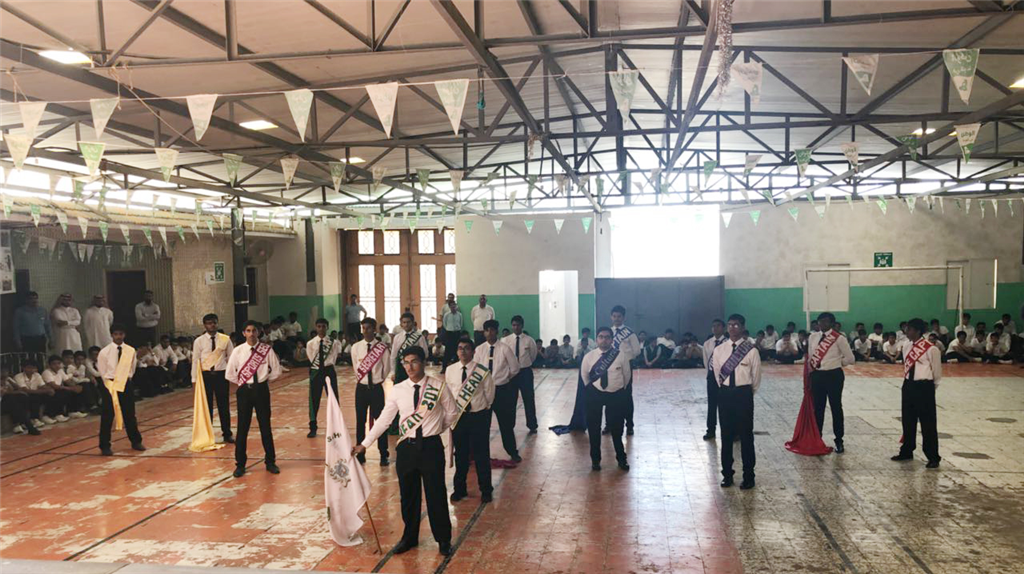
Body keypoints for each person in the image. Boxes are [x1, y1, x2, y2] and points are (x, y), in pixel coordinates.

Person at [352, 346, 457, 557]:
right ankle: (409, 538)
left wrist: (436, 428)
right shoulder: (398, 389)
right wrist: (365, 443)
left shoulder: (438, 386)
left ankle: (443, 539)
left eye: (414, 361)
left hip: (431, 447)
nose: (410, 367)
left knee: (436, 494)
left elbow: (452, 413)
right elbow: (384, 419)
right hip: (406, 449)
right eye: (406, 362)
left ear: (423, 362)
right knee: (408, 496)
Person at [226, 321, 282, 477]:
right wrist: (243, 383)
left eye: (254, 331)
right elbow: (229, 374)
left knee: (265, 426)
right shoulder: (238, 351)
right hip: (244, 391)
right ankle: (240, 464)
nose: (251, 334)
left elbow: (276, 370)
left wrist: (263, 381)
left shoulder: (266, 350)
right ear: (244, 333)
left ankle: (270, 462)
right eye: (248, 331)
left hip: (262, 390)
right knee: (242, 428)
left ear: (259, 332)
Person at [712, 314, 761, 489]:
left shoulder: (751, 351)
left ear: (743, 327)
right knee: (726, 435)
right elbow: (717, 374)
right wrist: (727, 389)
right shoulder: (719, 350)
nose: (732, 328)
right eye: (730, 325)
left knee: (746, 435)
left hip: (743, 394)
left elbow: (756, 377)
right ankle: (727, 474)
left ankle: (749, 475)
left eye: (736, 325)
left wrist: (746, 392)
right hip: (725, 394)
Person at [447, 337, 495, 503]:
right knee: (461, 455)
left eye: (467, 348)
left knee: (481, 454)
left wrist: (482, 409)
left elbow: (489, 394)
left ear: (473, 352)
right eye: (460, 348)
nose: (463, 351)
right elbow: (449, 393)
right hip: (459, 417)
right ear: (457, 351)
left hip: (478, 416)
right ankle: (459, 489)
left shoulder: (482, 371)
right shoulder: (450, 370)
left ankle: (486, 490)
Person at [892, 318, 942, 468]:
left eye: (909, 329)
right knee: (908, 419)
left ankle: (933, 456)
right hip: (908, 385)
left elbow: (937, 373)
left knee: (928, 422)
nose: (906, 332)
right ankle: (907, 450)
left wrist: (930, 388)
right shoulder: (906, 346)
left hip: (924, 386)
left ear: (918, 331)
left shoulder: (931, 349)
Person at [580, 326, 631, 471]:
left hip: (615, 394)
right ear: (596, 339)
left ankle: (621, 459)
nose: (604, 340)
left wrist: (619, 389)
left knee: (617, 428)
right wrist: (591, 389)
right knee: (594, 428)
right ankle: (595, 460)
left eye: (607, 337)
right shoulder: (589, 357)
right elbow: (584, 376)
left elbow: (626, 376)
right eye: (601, 337)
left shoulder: (620, 356)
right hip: (595, 394)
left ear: (612, 340)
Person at [807, 312, 855, 453]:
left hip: (834, 375)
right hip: (817, 375)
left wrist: (837, 363)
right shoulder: (813, 337)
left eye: (826, 321)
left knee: (836, 407)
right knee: (818, 408)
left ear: (832, 323)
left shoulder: (839, 338)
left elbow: (851, 358)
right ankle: (817, 439)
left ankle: (839, 440)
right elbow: (810, 357)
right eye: (820, 321)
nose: (823, 324)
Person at [474, 319, 521, 462]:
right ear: (484, 332)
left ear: (497, 331)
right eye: (487, 330)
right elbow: (475, 369)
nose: (490, 333)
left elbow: (515, 368)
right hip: (484, 391)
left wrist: (504, 378)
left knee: (505, 423)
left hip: (501, 390)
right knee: (483, 425)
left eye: (492, 330)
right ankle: (481, 454)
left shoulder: (505, 348)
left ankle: (512, 452)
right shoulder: (479, 349)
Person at [97, 324, 146, 455]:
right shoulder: (104, 352)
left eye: (121, 334)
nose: (119, 336)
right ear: (112, 335)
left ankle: (136, 441)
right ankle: (104, 445)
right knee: (107, 415)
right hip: (110, 384)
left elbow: (132, 369)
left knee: (129, 414)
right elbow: (102, 371)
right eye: (116, 334)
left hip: (125, 383)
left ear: (124, 335)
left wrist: (125, 379)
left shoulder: (130, 350)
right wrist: (110, 384)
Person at [351, 317, 391, 465]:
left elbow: (386, 368)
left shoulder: (382, 348)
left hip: (376, 389)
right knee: (360, 421)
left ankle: (383, 453)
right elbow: (356, 367)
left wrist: (377, 380)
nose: (365, 331)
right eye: (363, 328)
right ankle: (360, 453)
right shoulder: (356, 347)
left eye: (368, 328)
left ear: (374, 329)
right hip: (361, 389)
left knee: (381, 422)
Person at [192, 314, 235, 444]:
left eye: (214, 322)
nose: (212, 325)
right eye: (209, 323)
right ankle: (207, 435)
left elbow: (232, 357)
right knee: (207, 407)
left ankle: (227, 433)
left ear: (217, 323)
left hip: (221, 375)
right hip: (205, 376)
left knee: (224, 406)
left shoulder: (225, 339)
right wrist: (194, 379)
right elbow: (195, 361)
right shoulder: (199, 341)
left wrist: (231, 375)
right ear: (204, 325)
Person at [503, 316, 539, 434]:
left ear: (522, 326)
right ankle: (510, 424)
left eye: (518, 325)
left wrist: (524, 364)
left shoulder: (529, 340)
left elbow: (533, 355)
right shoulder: (505, 340)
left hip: (525, 372)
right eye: (514, 325)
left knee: (528, 399)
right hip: (511, 373)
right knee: (510, 400)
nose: (516, 327)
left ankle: (532, 424)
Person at [306, 318, 342, 438]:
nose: (321, 328)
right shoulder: (310, 343)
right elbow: (311, 358)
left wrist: (327, 365)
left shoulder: (334, 342)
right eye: (319, 326)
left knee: (333, 398)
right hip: (316, 371)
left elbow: (334, 356)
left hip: (329, 370)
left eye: (324, 326)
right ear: (316, 327)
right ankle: (313, 427)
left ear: (327, 327)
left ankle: (336, 427)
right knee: (313, 399)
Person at [608, 305, 641, 436]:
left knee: (626, 396)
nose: (616, 319)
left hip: (625, 367)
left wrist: (624, 359)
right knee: (609, 395)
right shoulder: (608, 332)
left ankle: (629, 425)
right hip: (609, 367)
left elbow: (637, 350)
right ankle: (609, 424)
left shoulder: (629, 333)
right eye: (614, 316)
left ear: (624, 318)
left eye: (619, 316)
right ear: (611, 317)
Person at [12, 360, 63, 429]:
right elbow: (25, 390)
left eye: (34, 368)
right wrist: (43, 391)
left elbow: (43, 386)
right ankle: (33, 419)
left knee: (52, 394)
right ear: (23, 368)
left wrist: (49, 389)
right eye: (29, 368)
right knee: (34, 397)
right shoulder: (18, 376)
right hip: (24, 396)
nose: (32, 370)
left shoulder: (37, 375)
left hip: (35, 393)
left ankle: (47, 415)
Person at [701, 319, 727, 441]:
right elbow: (706, 361)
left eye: (718, 326)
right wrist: (711, 373)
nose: (715, 328)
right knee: (712, 405)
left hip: (725, 378)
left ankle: (728, 431)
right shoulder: (707, 343)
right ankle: (710, 430)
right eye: (713, 326)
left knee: (726, 406)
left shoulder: (728, 343)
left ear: (723, 328)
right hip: (711, 377)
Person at [0, 365, 41, 435]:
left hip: (7, 403)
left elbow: (18, 388)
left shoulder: (7, 380)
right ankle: (28, 425)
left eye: (6, 372)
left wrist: (9, 380)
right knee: (12, 399)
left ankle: (21, 423)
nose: (5, 373)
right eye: (2, 372)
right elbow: (4, 393)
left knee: (22, 397)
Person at [41, 355, 85, 419]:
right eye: (54, 364)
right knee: (64, 392)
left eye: (58, 363)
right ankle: (57, 414)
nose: (57, 365)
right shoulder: (46, 372)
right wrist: (70, 388)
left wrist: (75, 387)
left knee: (78, 389)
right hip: (49, 391)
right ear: (49, 365)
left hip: (59, 389)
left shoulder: (60, 371)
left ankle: (72, 411)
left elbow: (68, 381)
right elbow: (54, 386)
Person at [391, 312, 431, 384]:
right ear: (401, 324)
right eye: (404, 322)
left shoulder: (419, 337)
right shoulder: (397, 337)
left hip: (414, 367)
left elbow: (425, 353)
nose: (406, 324)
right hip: (400, 368)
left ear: (413, 323)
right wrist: (393, 372)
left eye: (408, 322)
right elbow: (393, 356)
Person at [440, 299, 464, 371]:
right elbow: (444, 324)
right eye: (451, 306)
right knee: (447, 350)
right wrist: (449, 329)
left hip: (457, 333)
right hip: (449, 333)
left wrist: (457, 329)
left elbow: (461, 324)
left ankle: (457, 367)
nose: (453, 307)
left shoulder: (459, 315)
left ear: (456, 306)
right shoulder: (446, 315)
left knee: (457, 350)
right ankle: (444, 368)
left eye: (454, 305)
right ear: (449, 307)